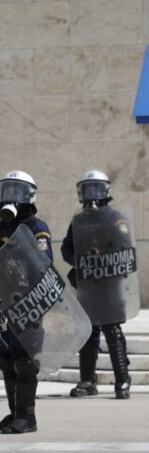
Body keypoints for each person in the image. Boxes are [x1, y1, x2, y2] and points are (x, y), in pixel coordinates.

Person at [0, 171, 51, 434]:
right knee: (6, 357)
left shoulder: (37, 228)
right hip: (4, 305)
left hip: (29, 303)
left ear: (29, 196)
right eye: (7, 191)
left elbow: (46, 264)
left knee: (24, 360)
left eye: (17, 191)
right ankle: (14, 412)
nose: (11, 197)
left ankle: (28, 417)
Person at [62, 170, 133, 400]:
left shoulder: (116, 218)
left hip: (111, 286)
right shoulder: (79, 221)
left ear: (105, 191)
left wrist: (101, 253)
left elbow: (124, 247)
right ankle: (87, 380)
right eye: (87, 189)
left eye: (96, 189)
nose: (91, 194)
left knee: (113, 331)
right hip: (89, 286)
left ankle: (122, 381)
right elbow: (66, 249)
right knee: (89, 332)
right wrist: (80, 260)